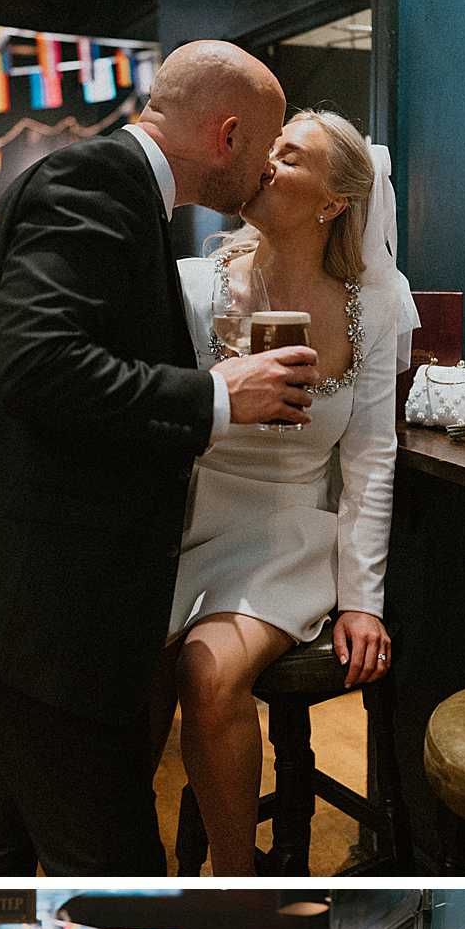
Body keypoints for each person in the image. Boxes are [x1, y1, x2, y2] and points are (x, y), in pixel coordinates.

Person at [0, 40, 320, 877]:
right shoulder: (94, 186)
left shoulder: (114, 188)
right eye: (264, 151)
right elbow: (39, 366)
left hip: (14, 588)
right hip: (37, 604)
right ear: (228, 135)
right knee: (120, 868)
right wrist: (219, 396)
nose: (263, 173)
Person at [152, 111, 418, 873]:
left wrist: (362, 598)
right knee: (122, 668)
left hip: (288, 528)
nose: (264, 161)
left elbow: (370, 457)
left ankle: (235, 879)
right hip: (187, 516)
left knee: (207, 671)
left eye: (290, 156)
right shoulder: (198, 284)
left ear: (334, 201)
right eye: (266, 145)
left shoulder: (374, 304)